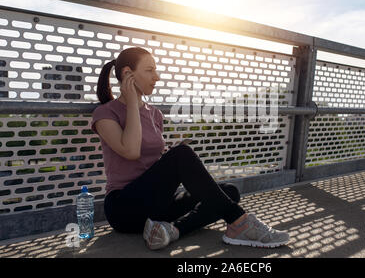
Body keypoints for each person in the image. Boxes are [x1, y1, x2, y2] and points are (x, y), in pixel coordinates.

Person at [90, 46, 290, 250]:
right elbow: (131, 151)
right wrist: (132, 102)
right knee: (182, 156)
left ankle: (171, 231)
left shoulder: (155, 114)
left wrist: (170, 160)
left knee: (229, 192)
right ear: (127, 74)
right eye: (149, 70)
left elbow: (154, 163)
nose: (156, 77)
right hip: (124, 209)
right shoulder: (105, 113)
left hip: (158, 205)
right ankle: (240, 223)